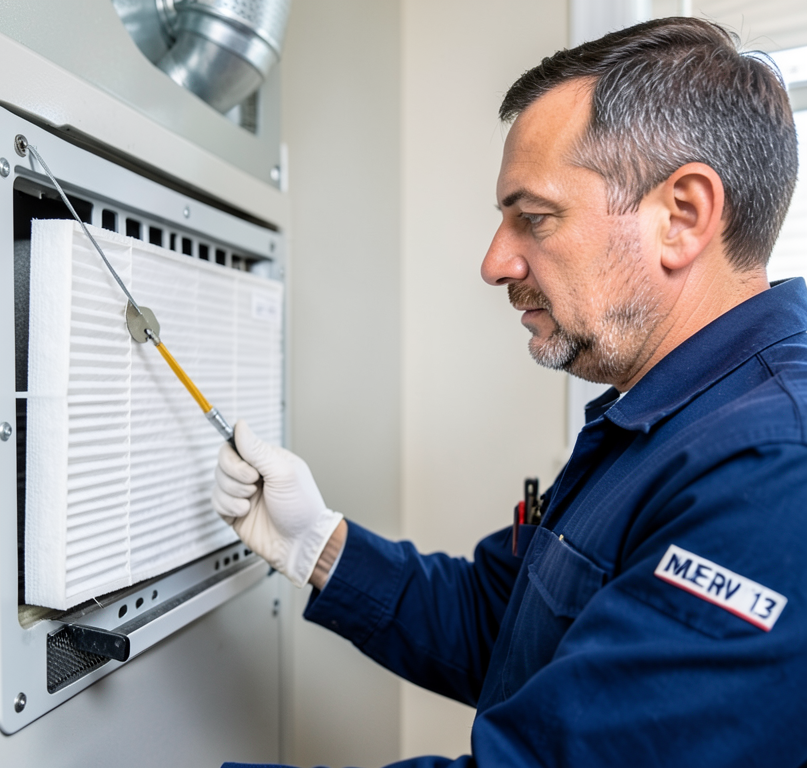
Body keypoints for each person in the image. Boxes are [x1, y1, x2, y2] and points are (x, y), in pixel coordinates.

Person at [214, 17, 806, 768]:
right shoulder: (655, 418)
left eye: (534, 219)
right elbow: (499, 622)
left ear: (682, 216)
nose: (495, 262)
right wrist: (316, 542)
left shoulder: (771, 469)